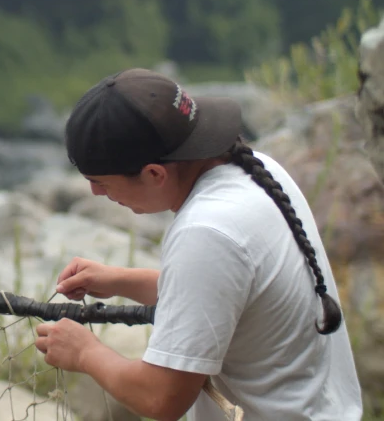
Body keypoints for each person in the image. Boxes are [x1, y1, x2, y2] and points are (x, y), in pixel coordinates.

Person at [34, 68, 363, 420]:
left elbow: (161, 398)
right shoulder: (256, 172)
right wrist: (119, 280)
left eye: (100, 182)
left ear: (154, 174)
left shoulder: (206, 230)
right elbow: (226, 296)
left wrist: (85, 353)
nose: (95, 193)